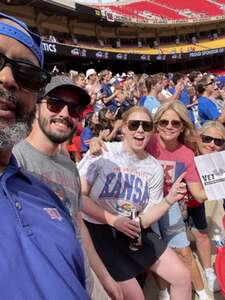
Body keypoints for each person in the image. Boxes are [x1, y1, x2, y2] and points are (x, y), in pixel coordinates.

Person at [0, 12, 89, 299]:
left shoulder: (43, 193)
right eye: (55, 103)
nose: (8, 79)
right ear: (40, 107)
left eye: (26, 73)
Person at [13, 75, 123, 300]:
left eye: (74, 109)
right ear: (37, 106)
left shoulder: (68, 167)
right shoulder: (15, 159)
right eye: (55, 104)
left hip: (84, 280)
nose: (64, 113)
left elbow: (78, 224)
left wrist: (104, 277)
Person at [78, 106, 192, 300]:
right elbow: (79, 197)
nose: (140, 129)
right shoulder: (104, 152)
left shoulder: (154, 168)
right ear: (123, 127)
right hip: (98, 229)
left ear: (151, 131)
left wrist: (169, 200)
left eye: (146, 126)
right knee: (135, 296)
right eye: (134, 124)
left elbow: (146, 219)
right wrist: (113, 220)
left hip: (132, 229)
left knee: (182, 276)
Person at [146, 102, 211, 300]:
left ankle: (202, 294)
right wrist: (98, 142)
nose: (169, 126)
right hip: (146, 204)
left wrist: (217, 188)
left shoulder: (187, 154)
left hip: (170, 205)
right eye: (164, 121)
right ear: (157, 124)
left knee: (183, 251)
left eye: (175, 123)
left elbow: (198, 194)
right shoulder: (147, 142)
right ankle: (163, 292)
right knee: (154, 254)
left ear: (182, 126)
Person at [184, 120, 223, 293]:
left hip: (195, 203)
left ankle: (209, 272)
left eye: (219, 141)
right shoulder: (187, 152)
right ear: (198, 138)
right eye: (207, 139)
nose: (212, 145)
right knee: (179, 248)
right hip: (175, 203)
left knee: (202, 235)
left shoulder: (220, 161)